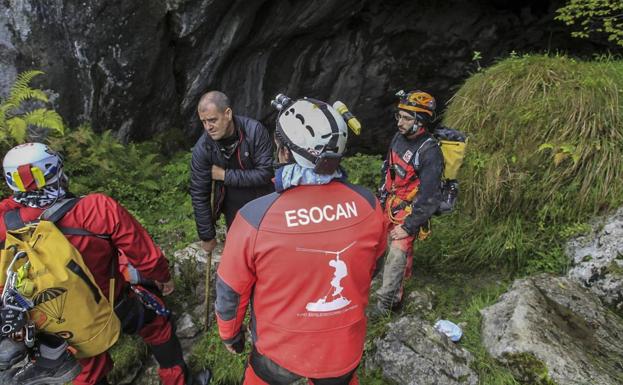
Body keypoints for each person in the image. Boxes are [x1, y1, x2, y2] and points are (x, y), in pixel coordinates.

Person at [0, 143, 209, 385]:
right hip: (114, 305)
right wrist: (163, 277)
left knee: (88, 373)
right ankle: (178, 381)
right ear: (57, 171)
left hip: (52, 326)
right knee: (158, 321)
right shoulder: (96, 209)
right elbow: (147, 258)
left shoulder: (6, 225)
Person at [215, 94, 388, 385]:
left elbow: (230, 291)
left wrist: (230, 334)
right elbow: (374, 265)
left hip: (278, 351)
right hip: (342, 348)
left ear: (284, 152)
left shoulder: (254, 218)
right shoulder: (368, 205)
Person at [374, 90, 444, 315]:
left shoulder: (430, 152)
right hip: (390, 202)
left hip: (409, 209)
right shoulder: (398, 138)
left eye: (406, 118)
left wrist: (408, 226)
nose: (400, 122)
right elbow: (390, 170)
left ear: (420, 122)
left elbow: (430, 196)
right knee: (377, 242)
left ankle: (387, 302)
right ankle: (383, 283)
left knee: (398, 250)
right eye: (399, 116)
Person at [190, 91, 274, 254]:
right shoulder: (203, 148)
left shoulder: (255, 131)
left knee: (268, 252)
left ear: (227, 114)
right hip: (233, 208)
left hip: (264, 203)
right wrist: (207, 235)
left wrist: (225, 175)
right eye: (204, 122)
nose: (208, 127)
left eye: (212, 120)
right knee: (242, 254)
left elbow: (265, 173)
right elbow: (199, 193)